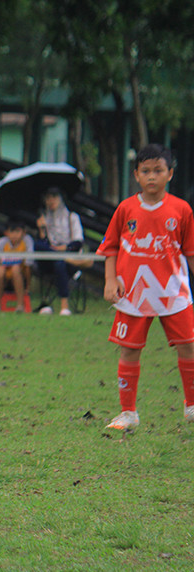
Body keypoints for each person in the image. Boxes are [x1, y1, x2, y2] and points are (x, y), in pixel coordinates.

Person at [97, 144, 194, 430]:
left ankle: (191, 407)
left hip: (172, 292)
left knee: (188, 346)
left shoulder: (181, 209)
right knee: (129, 351)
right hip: (134, 295)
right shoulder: (126, 208)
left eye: (158, 170)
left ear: (170, 174)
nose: (152, 176)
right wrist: (110, 280)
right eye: (146, 171)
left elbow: (189, 252)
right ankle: (128, 413)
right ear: (136, 175)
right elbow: (110, 247)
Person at [36, 187, 84, 315]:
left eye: (54, 197)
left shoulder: (72, 217)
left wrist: (63, 249)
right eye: (47, 197)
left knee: (60, 263)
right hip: (51, 258)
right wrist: (42, 229)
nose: (51, 200)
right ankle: (47, 305)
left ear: (61, 198)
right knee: (38, 246)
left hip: (70, 260)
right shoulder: (44, 218)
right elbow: (43, 245)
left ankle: (64, 306)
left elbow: (78, 243)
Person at [0, 220, 34, 312]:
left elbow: (29, 264)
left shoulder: (26, 241)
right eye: (11, 231)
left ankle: (20, 305)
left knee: (15, 268)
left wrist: (28, 286)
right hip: (4, 276)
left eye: (17, 231)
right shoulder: (2, 242)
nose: (14, 235)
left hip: (21, 274)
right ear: (6, 233)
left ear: (23, 232)